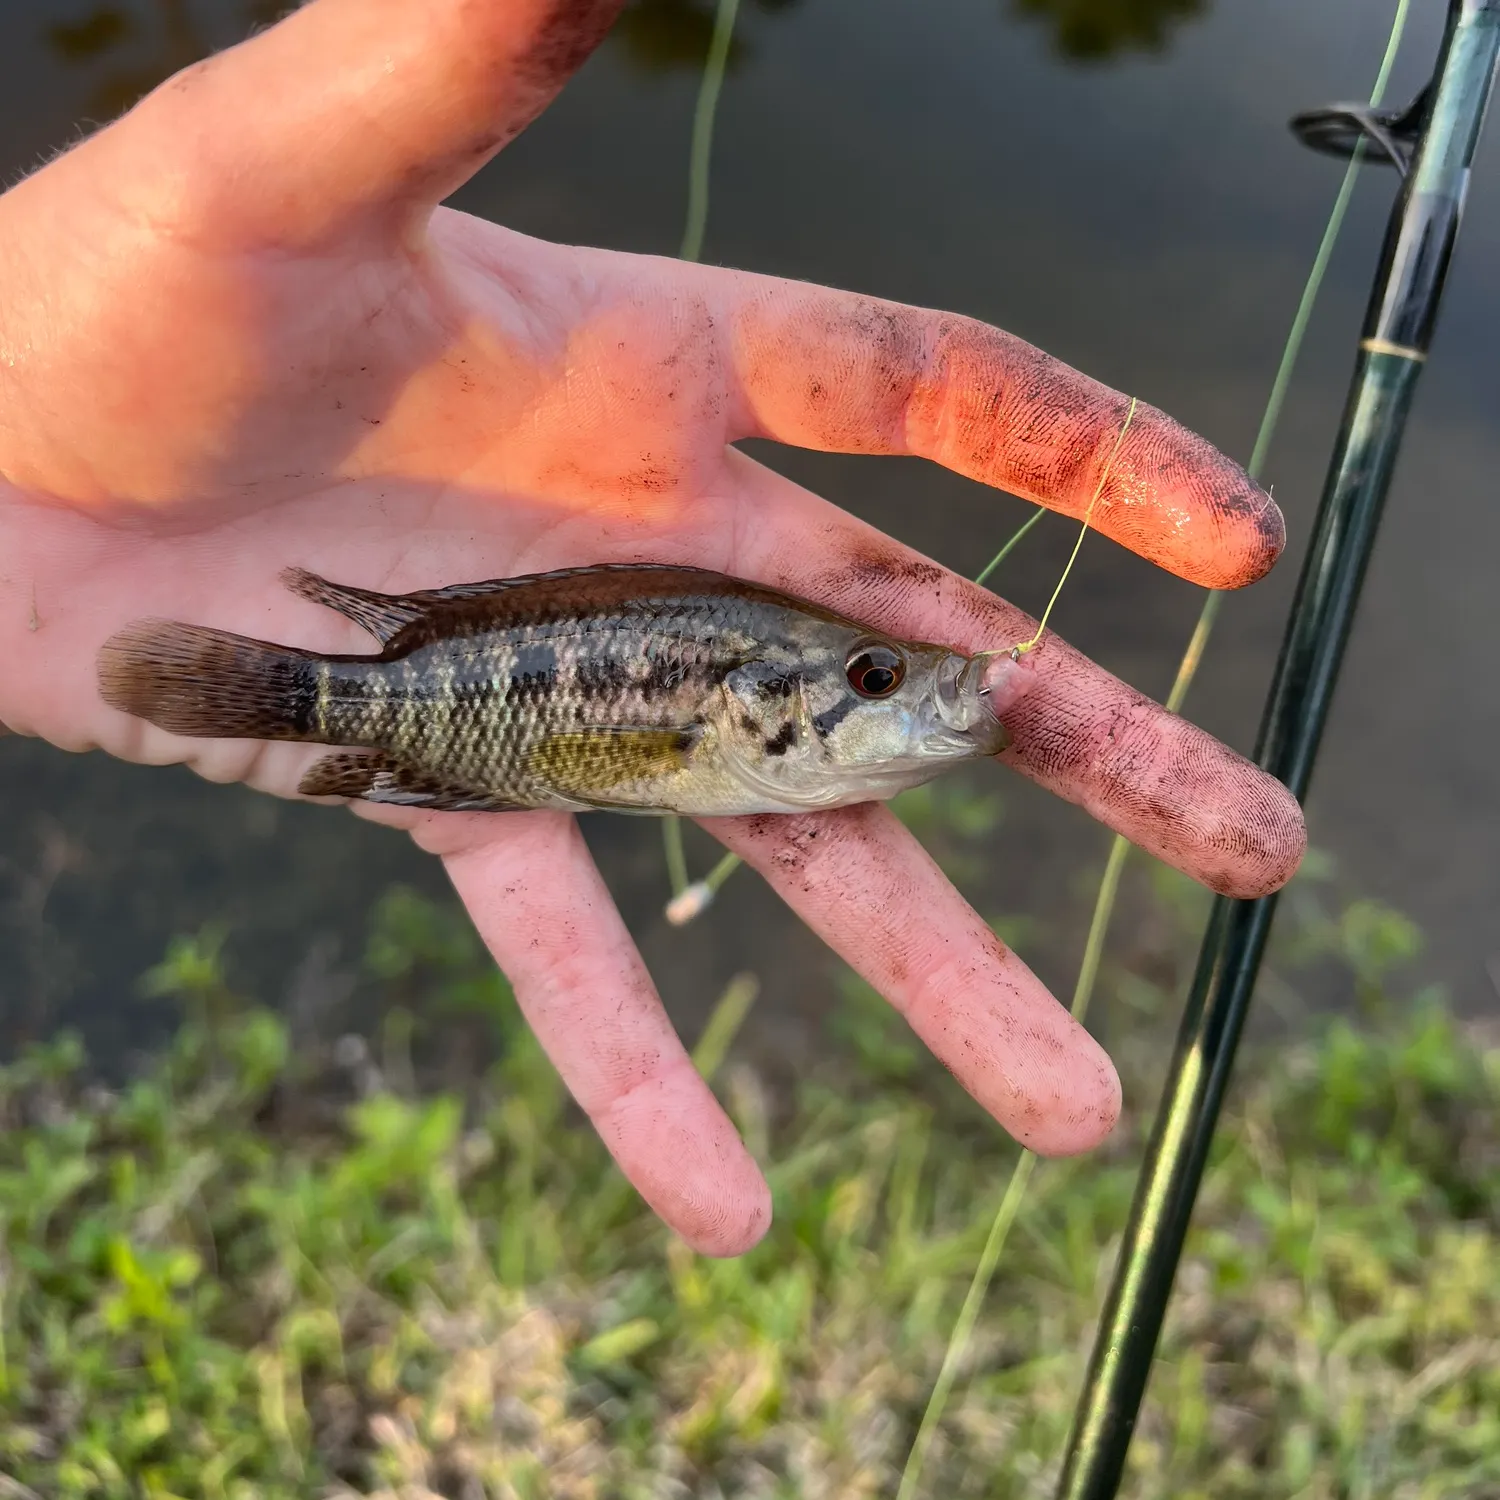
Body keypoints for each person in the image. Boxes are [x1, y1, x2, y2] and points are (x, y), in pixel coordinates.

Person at [0, 0, 1303, 1257]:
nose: (926, 686)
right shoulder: (719, 716)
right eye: (873, 670)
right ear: (770, 699)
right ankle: (308, 691)